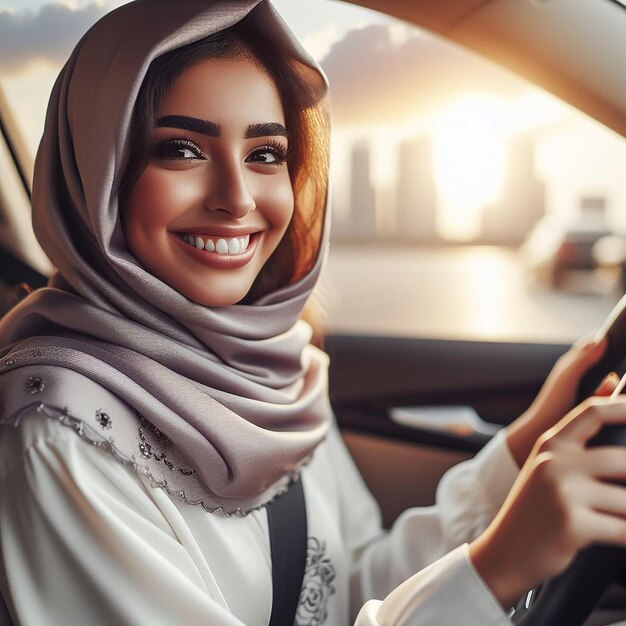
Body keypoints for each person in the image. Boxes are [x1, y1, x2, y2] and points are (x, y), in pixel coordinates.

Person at [1, 1, 626, 624]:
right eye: (183, 150)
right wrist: (493, 572)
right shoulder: (59, 434)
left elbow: (348, 587)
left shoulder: (281, 370)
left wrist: (523, 449)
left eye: (266, 154)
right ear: (99, 174)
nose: (237, 197)